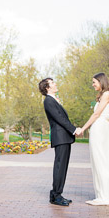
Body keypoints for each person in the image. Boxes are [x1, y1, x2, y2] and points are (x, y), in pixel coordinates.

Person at [77, 72, 109, 205]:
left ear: (101, 81)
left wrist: (82, 128)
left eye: (94, 82)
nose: (93, 85)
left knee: (101, 160)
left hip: (100, 129)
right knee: (99, 161)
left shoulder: (107, 94)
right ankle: (106, 195)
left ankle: (105, 197)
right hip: (100, 128)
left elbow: (96, 114)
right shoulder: (103, 95)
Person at [39, 77, 82, 207]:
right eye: (52, 83)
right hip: (60, 138)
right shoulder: (48, 101)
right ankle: (56, 195)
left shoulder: (53, 100)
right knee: (60, 167)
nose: (55, 84)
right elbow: (60, 119)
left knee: (61, 167)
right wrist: (74, 130)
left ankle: (55, 194)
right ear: (47, 88)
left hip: (63, 138)